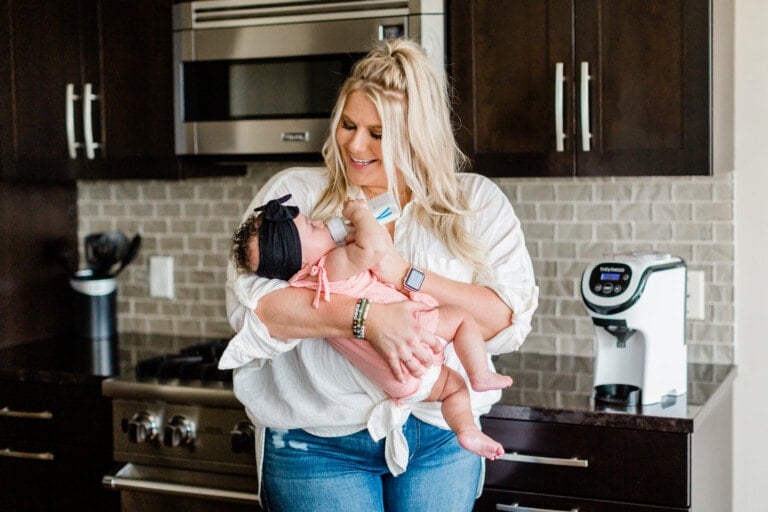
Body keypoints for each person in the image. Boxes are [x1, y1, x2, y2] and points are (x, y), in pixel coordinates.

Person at [220, 37, 539, 512]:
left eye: (377, 133)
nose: (354, 144)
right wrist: (369, 320)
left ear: (418, 136)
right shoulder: (294, 199)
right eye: (348, 125)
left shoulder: (477, 203)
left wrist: (402, 272)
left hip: (441, 436)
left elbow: (505, 317)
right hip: (316, 443)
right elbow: (258, 311)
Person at [229, 193, 514, 461]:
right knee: (461, 318)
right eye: (313, 227)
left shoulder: (303, 284)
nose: (320, 222)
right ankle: (480, 374)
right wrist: (359, 213)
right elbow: (375, 247)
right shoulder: (331, 265)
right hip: (413, 330)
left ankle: (467, 431)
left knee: (453, 390)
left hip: (398, 381)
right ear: (303, 259)